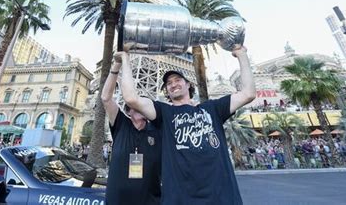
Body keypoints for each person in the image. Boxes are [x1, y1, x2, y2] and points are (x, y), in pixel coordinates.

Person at [117, 46, 255, 205]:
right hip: (180, 199)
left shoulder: (212, 109)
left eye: (177, 80)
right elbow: (131, 99)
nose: (173, 84)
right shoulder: (164, 113)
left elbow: (248, 93)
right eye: (168, 83)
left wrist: (242, 55)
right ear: (167, 91)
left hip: (222, 197)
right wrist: (126, 60)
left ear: (188, 84)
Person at [102, 53, 162, 205]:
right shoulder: (121, 124)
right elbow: (105, 98)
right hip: (117, 200)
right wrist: (116, 66)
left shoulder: (157, 130)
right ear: (129, 111)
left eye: (143, 105)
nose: (141, 108)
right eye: (136, 106)